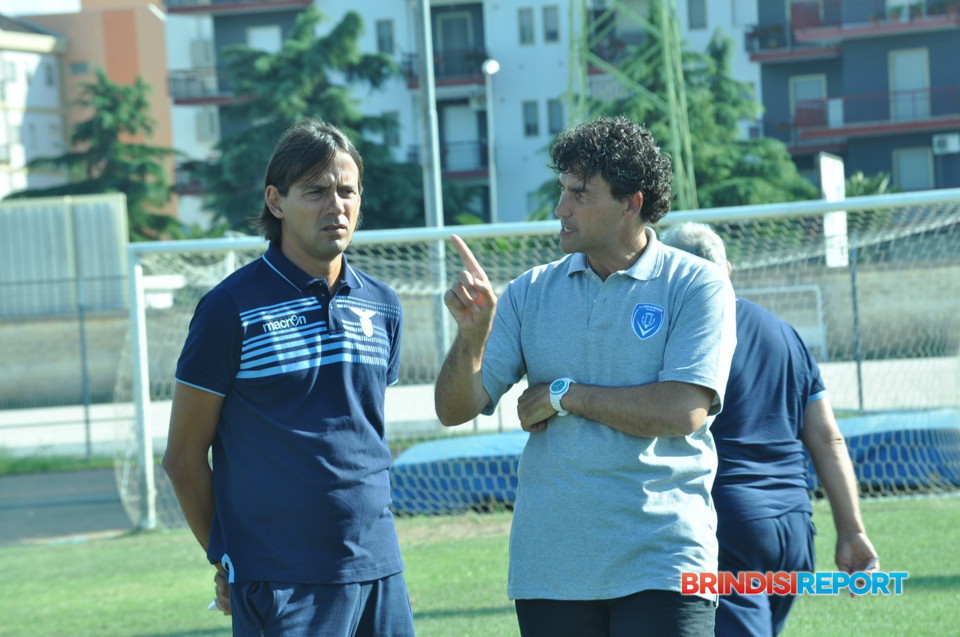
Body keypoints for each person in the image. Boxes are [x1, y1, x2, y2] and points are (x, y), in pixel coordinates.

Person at [434, 116, 738, 637]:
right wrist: (471, 337)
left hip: (663, 560)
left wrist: (564, 395)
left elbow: (681, 410)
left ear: (631, 204)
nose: (561, 209)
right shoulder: (529, 291)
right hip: (550, 569)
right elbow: (453, 410)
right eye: (563, 190)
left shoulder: (697, 284)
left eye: (580, 194)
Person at [162, 119, 416, 637]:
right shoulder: (229, 308)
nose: (336, 205)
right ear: (276, 201)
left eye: (347, 191)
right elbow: (183, 458)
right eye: (316, 191)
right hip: (282, 579)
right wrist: (226, 556)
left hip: (379, 567)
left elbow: (358, 434)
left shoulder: (383, 305)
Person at [659, 222, 879, 637]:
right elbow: (828, 438)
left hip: (728, 526)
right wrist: (852, 531)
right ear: (728, 269)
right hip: (794, 528)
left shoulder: (683, 336)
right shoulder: (786, 333)